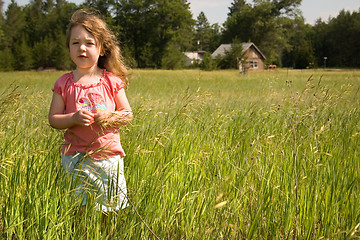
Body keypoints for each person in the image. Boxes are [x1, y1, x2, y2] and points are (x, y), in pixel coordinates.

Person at [48, 9, 133, 215]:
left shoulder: (111, 81)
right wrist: (73, 118)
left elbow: (127, 114)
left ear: (102, 49)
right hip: (76, 157)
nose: (82, 48)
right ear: (68, 47)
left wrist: (109, 117)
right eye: (75, 43)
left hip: (108, 158)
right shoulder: (64, 83)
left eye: (89, 43)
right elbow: (53, 119)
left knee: (110, 209)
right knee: (80, 207)